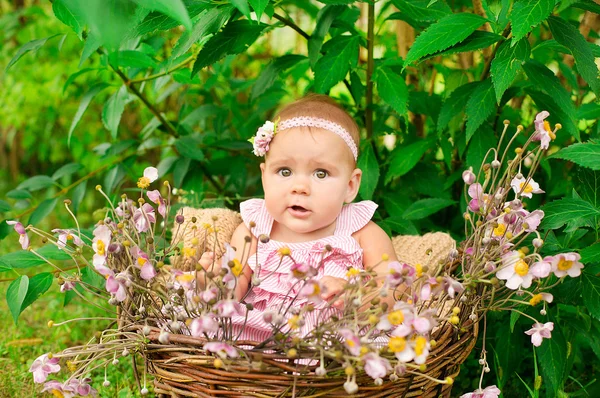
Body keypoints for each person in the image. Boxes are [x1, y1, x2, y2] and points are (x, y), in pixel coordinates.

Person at [199, 94, 398, 341]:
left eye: (321, 174)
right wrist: (213, 282)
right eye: (285, 171)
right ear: (264, 177)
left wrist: (357, 295)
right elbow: (233, 291)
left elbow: (392, 289)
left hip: (338, 344)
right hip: (263, 340)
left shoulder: (361, 232)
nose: (300, 187)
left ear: (350, 185)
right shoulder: (254, 229)